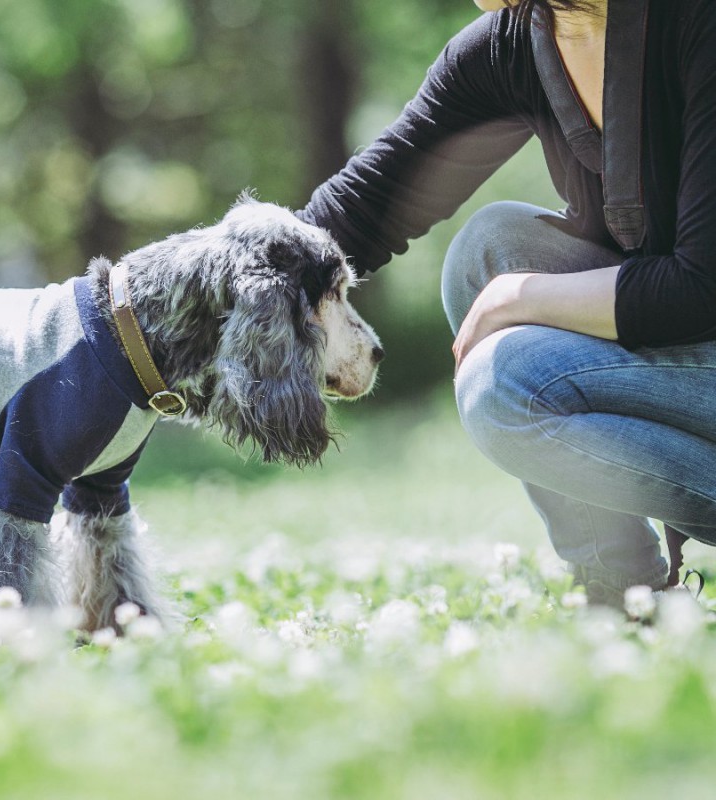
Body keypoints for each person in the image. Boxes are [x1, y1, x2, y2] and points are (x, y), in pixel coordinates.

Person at [297, 0, 716, 606]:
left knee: (504, 386)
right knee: (490, 249)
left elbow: (700, 287)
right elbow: (365, 204)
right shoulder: (516, 43)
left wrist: (519, 297)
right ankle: (624, 593)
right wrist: (221, 286)